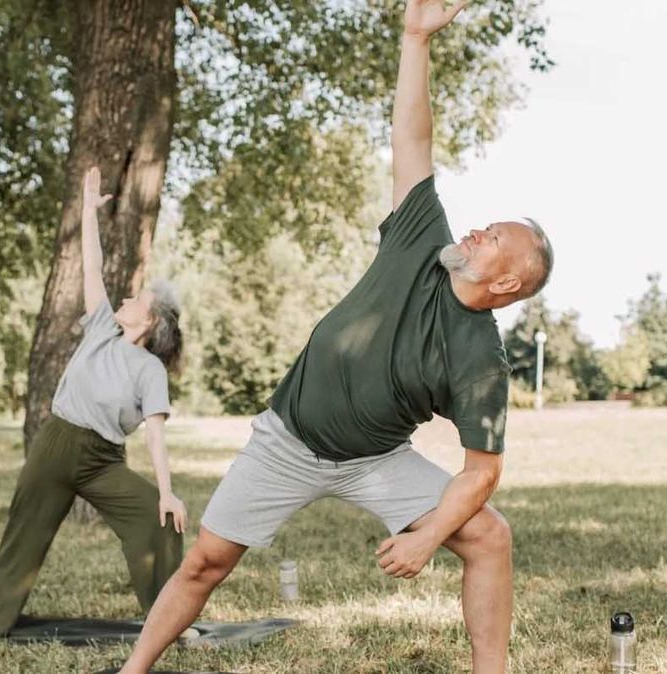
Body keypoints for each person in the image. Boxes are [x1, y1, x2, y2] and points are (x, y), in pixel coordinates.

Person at [116, 1, 554, 672]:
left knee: (489, 537)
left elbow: (483, 473)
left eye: (493, 239)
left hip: (373, 460)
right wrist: (414, 38)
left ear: (507, 285)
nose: (475, 231)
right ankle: (132, 670)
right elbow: (412, 141)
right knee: (205, 563)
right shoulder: (421, 240)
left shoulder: (480, 360)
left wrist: (430, 534)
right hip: (287, 438)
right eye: (485, 225)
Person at [0, 165, 188, 638]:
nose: (125, 297)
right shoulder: (101, 326)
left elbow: (156, 435)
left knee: (158, 520)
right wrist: (88, 210)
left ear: (150, 321)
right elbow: (92, 265)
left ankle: (170, 623)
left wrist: (166, 491)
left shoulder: (150, 370)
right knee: (25, 532)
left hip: (102, 460)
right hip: (56, 445)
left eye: (135, 298)